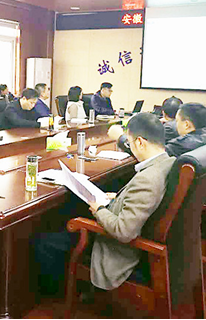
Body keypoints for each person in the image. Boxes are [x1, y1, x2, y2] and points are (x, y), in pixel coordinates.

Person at [34, 113, 176, 294]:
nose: (130, 148)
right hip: (129, 223)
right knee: (72, 209)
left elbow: (124, 232)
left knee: (45, 241)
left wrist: (99, 209)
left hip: (116, 251)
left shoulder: (147, 179)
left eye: (130, 143)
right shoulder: (168, 162)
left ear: (140, 142)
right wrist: (117, 198)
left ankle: (60, 294)